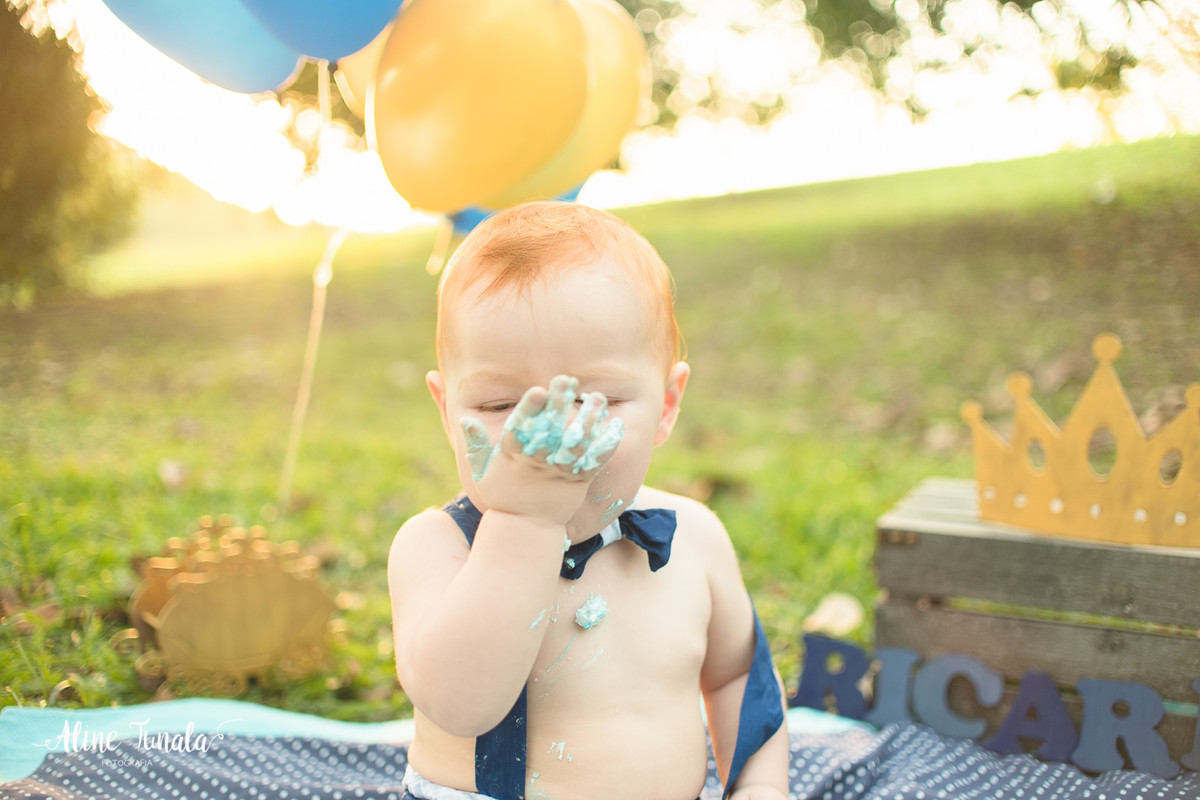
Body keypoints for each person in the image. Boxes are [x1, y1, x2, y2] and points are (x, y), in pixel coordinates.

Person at [387, 201, 789, 800]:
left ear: (666, 405)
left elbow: (737, 675)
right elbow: (460, 706)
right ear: (448, 413)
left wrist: (758, 785)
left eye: (597, 399)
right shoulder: (437, 548)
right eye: (500, 407)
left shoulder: (695, 538)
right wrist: (523, 522)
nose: (547, 436)